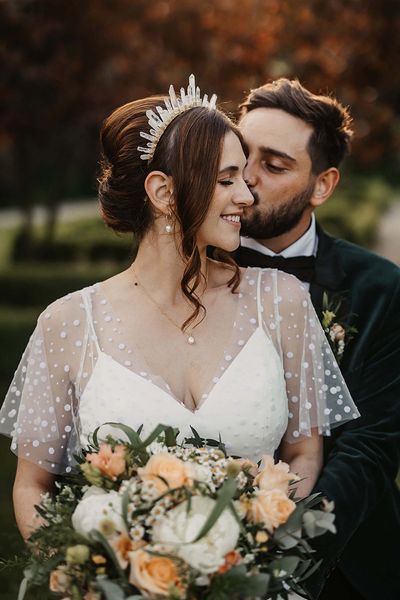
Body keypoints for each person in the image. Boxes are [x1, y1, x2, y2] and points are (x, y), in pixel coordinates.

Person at [0, 77, 358, 556]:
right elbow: (32, 488)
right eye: (227, 179)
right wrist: (87, 577)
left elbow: (303, 453)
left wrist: (249, 556)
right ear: (163, 192)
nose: (247, 197)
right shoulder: (68, 324)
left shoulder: (281, 301)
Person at [236, 78, 400, 600]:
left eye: (274, 165)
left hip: (348, 561)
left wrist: (287, 553)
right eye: (240, 155)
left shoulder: (379, 289)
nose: (246, 178)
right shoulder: (187, 276)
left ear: (322, 186)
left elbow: (372, 447)